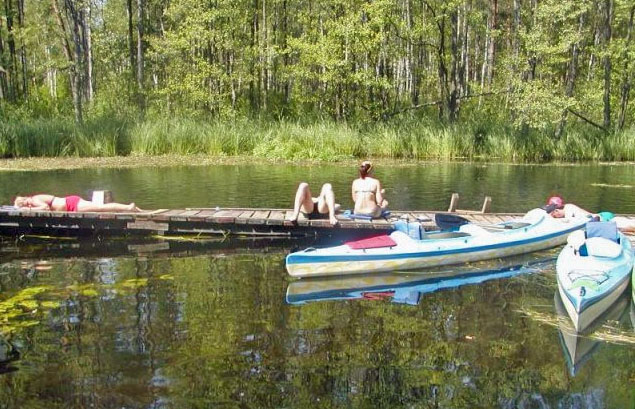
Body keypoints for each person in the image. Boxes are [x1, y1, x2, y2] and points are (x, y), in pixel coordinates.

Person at [545, 195, 635, 233]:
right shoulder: (565, 209)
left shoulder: (569, 208)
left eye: (553, 214)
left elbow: (569, 221)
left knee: (623, 228)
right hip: (599, 216)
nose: (554, 216)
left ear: (556, 210)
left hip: (603, 217)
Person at [14, 194, 142, 213]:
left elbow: (45, 208)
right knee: (100, 208)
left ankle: (128, 207)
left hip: (72, 204)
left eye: (23, 206)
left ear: (24, 203)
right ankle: (128, 207)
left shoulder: (34, 200)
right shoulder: (34, 199)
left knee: (100, 208)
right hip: (70, 205)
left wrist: (29, 211)